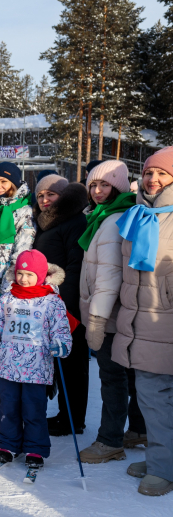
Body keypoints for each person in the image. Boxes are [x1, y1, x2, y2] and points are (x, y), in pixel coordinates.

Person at [0, 250, 72, 469]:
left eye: (29, 274)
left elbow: (62, 331)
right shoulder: (8, 297)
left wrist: (61, 345)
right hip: (8, 366)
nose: (24, 279)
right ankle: (7, 445)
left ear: (40, 274)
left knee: (33, 409)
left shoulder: (51, 302)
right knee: (8, 408)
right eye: (20, 273)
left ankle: (35, 448)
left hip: (37, 369)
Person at [113, 146, 173, 496]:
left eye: (162, 174)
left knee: (156, 398)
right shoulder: (140, 214)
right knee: (154, 399)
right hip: (144, 324)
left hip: (163, 321)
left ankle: (163, 468)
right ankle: (161, 460)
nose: (152, 179)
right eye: (149, 172)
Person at [76, 160, 144, 465]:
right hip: (121, 312)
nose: (98, 191)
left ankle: (110, 440)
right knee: (129, 376)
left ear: (117, 186)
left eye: (105, 185)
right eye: (93, 185)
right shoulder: (106, 216)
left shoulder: (114, 220)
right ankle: (139, 429)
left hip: (110, 314)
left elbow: (108, 277)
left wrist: (97, 320)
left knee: (113, 377)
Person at [32, 175, 89, 436]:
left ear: (63, 196)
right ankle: (64, 414)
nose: (45, 200)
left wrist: (65, 306)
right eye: (41, 195)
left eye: (50, 195)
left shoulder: (74, 221)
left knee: (72, 362)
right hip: (46, 302)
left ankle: (72, 419)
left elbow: (76, 266)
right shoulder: (47, 223)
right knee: (58, 361)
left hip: (66, 305)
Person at [0, 161, 35, 426]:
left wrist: (7, 292)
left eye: (3, 182)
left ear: (14, 184)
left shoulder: (23, 212)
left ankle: (12, 406)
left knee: (9, 353)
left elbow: (21, 255)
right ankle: (0, 402)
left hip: (10, 296)